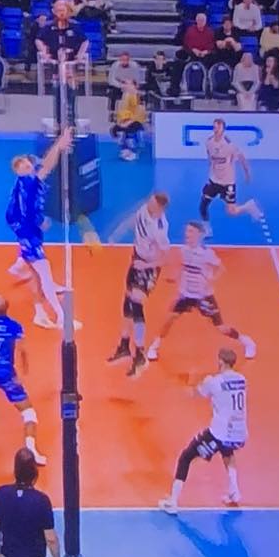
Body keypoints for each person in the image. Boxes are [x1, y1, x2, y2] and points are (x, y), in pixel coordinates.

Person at [147, 222, 256, 363]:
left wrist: (211, 280)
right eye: (186, 231)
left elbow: (221, 268)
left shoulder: (207, 253)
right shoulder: (184, 250)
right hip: (186, 294)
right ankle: (154, 347)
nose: (187, 234)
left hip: (203, 296)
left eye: (191, 231)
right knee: (170, 319)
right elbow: (184, 267)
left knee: (221, 328)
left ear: (199, 234)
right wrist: (175, 278)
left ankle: (247, 342)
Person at [159, 348, 248, 514]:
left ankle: (173, 502)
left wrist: (190, 380)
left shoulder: (213, 382)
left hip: (219, 433)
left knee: (186, 457)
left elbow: (194, 393)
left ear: (220, 361)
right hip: (239, 432)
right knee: (227, 452)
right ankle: (234, 492)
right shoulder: (242, 379)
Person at [5, 129, 73, 330]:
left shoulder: (24, 184)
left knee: (35, 275)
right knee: (44, 273)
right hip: (28, 233)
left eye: (28, 164)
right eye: (24, 166)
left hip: (27, 231)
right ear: (18, 171)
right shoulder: (28, 182)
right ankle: (60, 316)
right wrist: (59, 145)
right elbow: (48, 165)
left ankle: (39, 313)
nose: (28, 166)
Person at [0, 296, 47, 465]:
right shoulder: (14, 327)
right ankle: (31, 451)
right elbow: (22, 350)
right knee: (29, 413)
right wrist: (23, 370)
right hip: (5, 374)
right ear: (7, 307)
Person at [107, 193, 171, 378]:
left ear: (159, 209)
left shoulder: (160, 229)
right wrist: (115, 236)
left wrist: (146, 266)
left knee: (136, 303)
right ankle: (124, 346)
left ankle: (140, 354)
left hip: (149, 267)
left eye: (152, 203)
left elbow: (165, 259)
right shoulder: (144, 210)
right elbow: (131, 221)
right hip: (137, 259)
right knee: (127, 303)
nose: (148, 204)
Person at [199, 118, 262, 237]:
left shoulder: (229, 145)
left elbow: (241, 157)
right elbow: (209, 157)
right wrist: (210, 172)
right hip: (213, 180)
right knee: (203, 205)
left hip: (227, 182)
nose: (216, 130)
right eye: (214, 127)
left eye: (219, 128)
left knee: (232, 212)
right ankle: (207, 230)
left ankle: (249, 206)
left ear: (223, 129)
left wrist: (247, 173)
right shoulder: (209, 142)